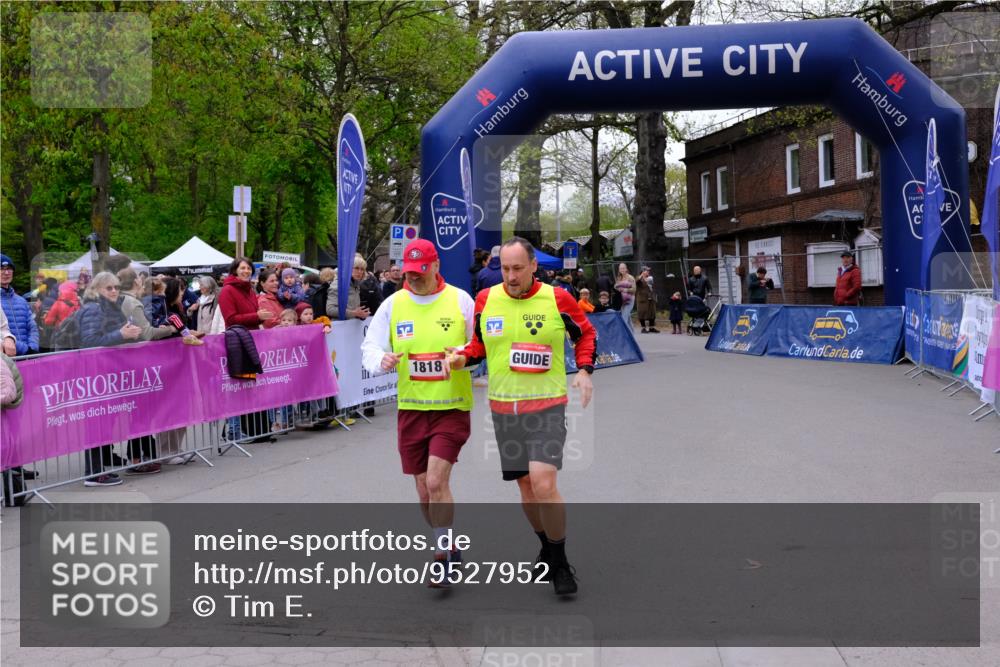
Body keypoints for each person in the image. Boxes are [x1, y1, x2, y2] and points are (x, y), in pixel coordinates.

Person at [447, 237, 596, 597]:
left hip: (546, 406)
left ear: (533, 266)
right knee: (527, 488)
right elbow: (480, 343)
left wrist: (585, 370)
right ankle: (545, 544)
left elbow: (586, 334)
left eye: (517, 268)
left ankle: (560, 564)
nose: (511, 276)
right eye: (505, 269)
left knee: (544, 483)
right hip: (503, 409)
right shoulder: (487, 299)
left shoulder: (557, 298)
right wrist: (463, 357)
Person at [361, 239, 475, 587]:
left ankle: (442, 558)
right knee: (424, 489)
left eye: (420, 272)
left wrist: (463, 355)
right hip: (411, 408)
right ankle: (450, 543)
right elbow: (370, 344)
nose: (413, 279)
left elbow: (479, 344)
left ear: (436, 266)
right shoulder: (394, 304)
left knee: (438, 481)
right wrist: (381, 361)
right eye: (408, 274)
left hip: (450, 406)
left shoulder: (460, 300)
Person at [78, 272, 143, 486]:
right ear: (96, 290)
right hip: (95, 375)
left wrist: (129, 334)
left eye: (116, 287)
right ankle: (94, 474)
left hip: (107, 374)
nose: (114, 291)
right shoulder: (93, 309)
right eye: (109, 288)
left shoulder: (108, 308)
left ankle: (99, 470)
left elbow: (111, 336)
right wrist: (121, 336)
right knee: (96, 424)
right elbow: (89, 342)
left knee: (105, 422)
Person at [218, 257, 276, 444]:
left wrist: (259, 318)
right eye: (242, 268)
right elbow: (231, 318)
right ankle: (241, 431)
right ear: (235, 270)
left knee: (254, 385)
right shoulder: (227, 290)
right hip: (238, 341)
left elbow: (251, 316)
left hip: (251, 339)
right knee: (243, 386)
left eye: (248, 268)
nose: (246, 271)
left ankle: (260, 429)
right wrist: (256, 316)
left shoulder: (250, 290)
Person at [0, 254, 39, 356]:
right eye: (2, 269)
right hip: (7, 360)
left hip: (29, 357)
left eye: (9, 269)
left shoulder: (21, 300)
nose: (6, 272)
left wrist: (33, 347)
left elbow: (32, 327)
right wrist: (23, 349)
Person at [327, 254, 374, 321]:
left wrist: (361, 314)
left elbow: (353, 309)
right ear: (348, 269)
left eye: (362, 269)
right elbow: (330, 310)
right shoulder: (338, 284)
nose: (360, 272)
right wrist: (354, 313)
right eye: (356, 268)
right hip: (339, 327)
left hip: (351, 326)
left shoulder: (356, 284)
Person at [635, 267, 658, 333]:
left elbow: (652, 287)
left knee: (652, 313)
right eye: (647, 271)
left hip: (650, 298)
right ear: (643, 271)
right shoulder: (639, 278)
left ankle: (651, 328)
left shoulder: (650, 278)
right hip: (642, 299)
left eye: (648, 271)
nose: (648, 272)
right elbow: (636, 281)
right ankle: (643, 328)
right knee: (642, 313)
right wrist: (641, 275)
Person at [614, 263, 636, 330]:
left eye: (623, 268)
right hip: (622, 300)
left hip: (630, 300)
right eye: (621, 268)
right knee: (628, 319)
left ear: (626, 269)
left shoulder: (630, 277)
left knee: (624, 318)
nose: (622, 270)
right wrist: (617, 288)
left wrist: (624, 290)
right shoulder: (619, 278)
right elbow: (615, 286)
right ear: (619, 270)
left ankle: (626, 336)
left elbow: (634, 289)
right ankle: (632, 335)